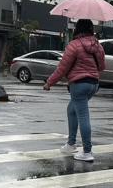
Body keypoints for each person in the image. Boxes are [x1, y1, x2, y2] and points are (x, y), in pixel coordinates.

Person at [43, 19, 106, 162]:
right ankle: (71, 144)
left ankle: (87, 151)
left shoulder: (74, 45)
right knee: (72, 110)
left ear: (78, 29)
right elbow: (102, 66)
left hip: (78, 84)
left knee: (83, 116)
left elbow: (62, 68)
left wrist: (49, 83)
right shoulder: (98, 46)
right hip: (93, 84)